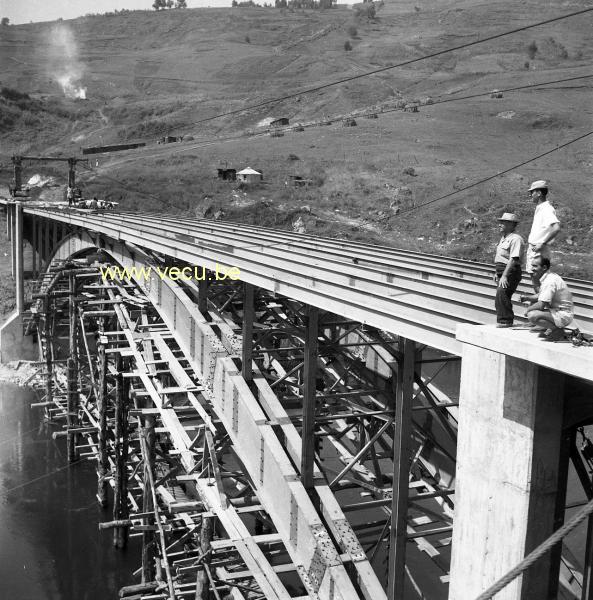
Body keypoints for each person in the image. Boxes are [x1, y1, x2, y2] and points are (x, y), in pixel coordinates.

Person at [520, 256, 574, 341]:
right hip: (558, 311)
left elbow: (541, 305)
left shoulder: (549, 281)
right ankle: (549, 328)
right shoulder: (549, 277)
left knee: (532, 315)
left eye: (535, 266)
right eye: (532, 266)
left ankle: (557, 330)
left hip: (563, 315)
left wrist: (527, 310)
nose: (532, 269)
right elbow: (541, 295)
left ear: (544, 267)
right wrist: (527, 298)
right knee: (533, 304)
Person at [526, 180, 560, 291]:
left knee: (538, 280)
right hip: (535, 248)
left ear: (539, 193)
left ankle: (542, 303)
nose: (530, 195)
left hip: (538, 249)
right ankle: (541, 302)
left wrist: (543, 243)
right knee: (535, 279)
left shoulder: (546, 209)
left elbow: (556, 228)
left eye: (532, 192)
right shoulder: (540, 208)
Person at [493, 212, 524, 327]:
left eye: (503, 222)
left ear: (511, 225)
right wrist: (498, 272)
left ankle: (506, 321)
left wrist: (505, 275)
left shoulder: (516, 239)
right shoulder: (503, 238)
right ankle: (503, 320)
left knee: (502, 293)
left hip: (511, 271)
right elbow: (501, 257)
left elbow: (513, 259)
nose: (500, 224)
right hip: (502, 271)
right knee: (500, 296)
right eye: (500, 222)